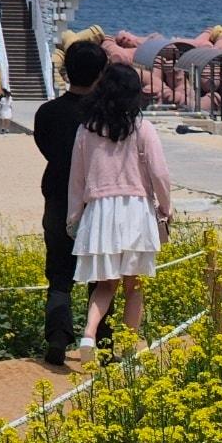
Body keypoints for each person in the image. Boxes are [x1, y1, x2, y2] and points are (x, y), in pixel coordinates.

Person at [67, 63, 172, 360]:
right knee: (134, 286)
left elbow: (77, 177)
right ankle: (125, 352)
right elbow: (160, 173)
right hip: (135, 210)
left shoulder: (86, 129)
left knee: (105, 283)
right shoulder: (142, 127)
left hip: (100, 211)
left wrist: (74, 216)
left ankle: (88, 335)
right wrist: (166, 207)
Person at [35, 39, 110, 366]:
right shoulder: (106, 115)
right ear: (101, 74)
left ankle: (57, 337)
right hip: (97, 201)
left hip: (57, 198)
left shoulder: (48, 112)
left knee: (59, 274)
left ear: (66, 71)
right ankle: (101, 341)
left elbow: (46, 148)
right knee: (103, 275)